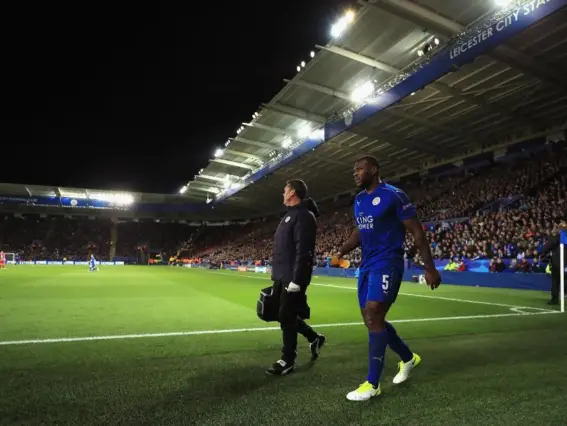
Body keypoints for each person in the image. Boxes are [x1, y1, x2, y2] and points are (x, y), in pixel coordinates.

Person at [334, 155, 441, 401]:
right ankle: (408, 358)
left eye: (359, 169)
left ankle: (372, 384)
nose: (355, 173)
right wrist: (340, 251)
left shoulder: (394, 195)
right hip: (367, 264)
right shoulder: (360, 200)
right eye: (354, 170)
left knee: (373, 313)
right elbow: (360, 230)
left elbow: (416, 231)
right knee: (372, 319)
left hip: (388, 262)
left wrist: (430, 268)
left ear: (374, 170)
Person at [266, 179, 325, 376]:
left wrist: (298, 280)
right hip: (282, 275)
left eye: (285, 191)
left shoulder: (304, 216)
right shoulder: (291, 215)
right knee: (282, 314)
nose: (282, 194)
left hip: (292, 277)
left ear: (292, 192)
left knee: (286, 316)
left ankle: (288, 360)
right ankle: (314, 338)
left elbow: (304, 251)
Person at [540, 219, 567, 305]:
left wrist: (553, 234)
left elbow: (546, 247)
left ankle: (555, 299)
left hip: (558, 263)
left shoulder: (558, 237)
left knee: (555, 281)